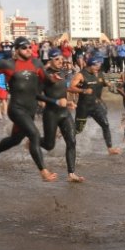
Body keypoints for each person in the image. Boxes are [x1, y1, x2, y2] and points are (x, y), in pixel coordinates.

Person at [0, 37, 59, 182]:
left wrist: (53, 78)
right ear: (16, 50)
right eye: (24, 48)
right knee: (34, 134)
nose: (28, 50)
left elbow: (46, 80)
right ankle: (44, 172)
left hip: (30, 109)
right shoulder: (7, 64)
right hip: (16, 108)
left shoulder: (36, 63)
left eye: (29, 47)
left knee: (15, 140)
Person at [39, 49, 84, 182]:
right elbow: (38, 95)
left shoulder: (63, 73)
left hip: (64, 112)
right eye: (56, 59)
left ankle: (71, 173)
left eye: (61, 59)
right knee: (49, 145)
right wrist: (55, 102)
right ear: (50, 61)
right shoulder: (45, 76)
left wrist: (69, 101)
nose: (60, 62)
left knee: (72, 141)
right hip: (51, 113)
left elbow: (63, 90)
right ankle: (34, 141)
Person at [69, 57, 122, 155]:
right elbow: (70, 87)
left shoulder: (99, 73)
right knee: (78, 130)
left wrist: (112, 85)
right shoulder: (81, 75)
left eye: (99, 65)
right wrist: (83, 90)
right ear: (91, 65)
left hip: (95, 106)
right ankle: (62, 134)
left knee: (105, 124)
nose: (98, 67)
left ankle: (110, 149)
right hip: (83, 107)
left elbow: (105, 83)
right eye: (96, 65)